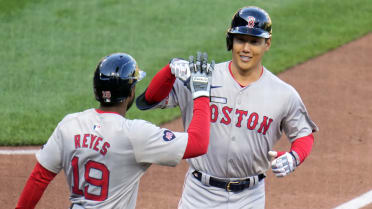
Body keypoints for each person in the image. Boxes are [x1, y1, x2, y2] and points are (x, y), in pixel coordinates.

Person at [136, 6, 319, 209]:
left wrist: (294, 157)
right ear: (231, 40)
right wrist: (169, 70)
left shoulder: (283, 94)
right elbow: (151, 99)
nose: (246, 49)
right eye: (241, 40)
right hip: (199, 194)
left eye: (254, 42)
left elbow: (303, 134)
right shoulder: (202, 77)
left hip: (249, 198)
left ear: (267, 43)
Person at [15, 52, 214, 209]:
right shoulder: (136, 134)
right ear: (130, 93)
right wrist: (202, 93)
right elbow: (198, 143)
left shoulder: (69, 124)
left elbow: (39, 177)